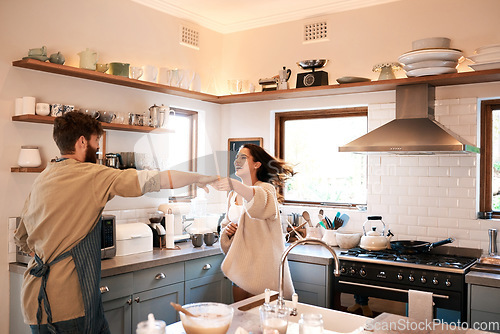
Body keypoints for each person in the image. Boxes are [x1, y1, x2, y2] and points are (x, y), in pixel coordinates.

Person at [14, 112, 218, 334]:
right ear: (82, 141)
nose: (97, 150)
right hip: (71, 304)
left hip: (35, 302)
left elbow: (22, 238)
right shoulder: (93, 174)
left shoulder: (43, 177)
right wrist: (198, 177)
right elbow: (154, 180)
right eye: (96, 143)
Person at [211, 144, 295, 302]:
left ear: (257, 164)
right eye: (237, 157)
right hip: (242, 268)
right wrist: (227, 232)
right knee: (241, 318)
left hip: (263, 270)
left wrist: (235, 184)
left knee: (262, 321)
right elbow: (226, 226)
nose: (237, 160)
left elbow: (257, 204)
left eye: (243, 157)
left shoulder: (266, 190)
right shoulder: (232, 195)